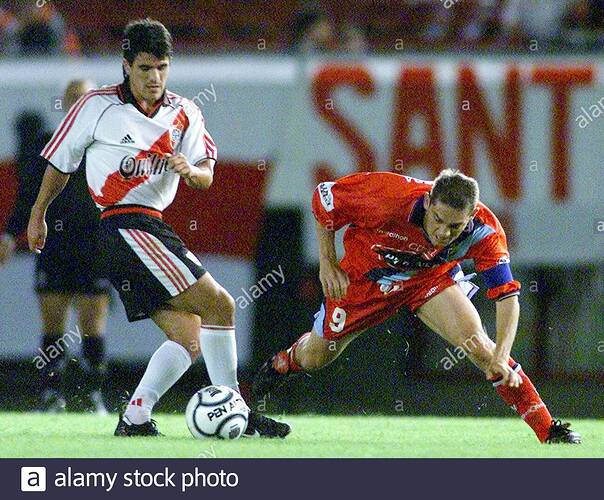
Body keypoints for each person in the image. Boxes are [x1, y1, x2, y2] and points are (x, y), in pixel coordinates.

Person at [26, 18, 290, 438]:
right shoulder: (97, 105)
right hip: (124, 225)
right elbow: (60, 162)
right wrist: (38, 212)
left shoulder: (184, 113)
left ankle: (134, 418)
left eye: (162, 67)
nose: (155, 77)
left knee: (188, 338)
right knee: (220, 305)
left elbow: (206, 174)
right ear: (126, 65)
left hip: (148, 228)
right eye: (146, 68)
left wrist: (191, 171)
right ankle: (241, 408)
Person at [253, 170, 581, 444]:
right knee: (317, 357)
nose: (442, 232)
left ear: (470, 218)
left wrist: (500, 354)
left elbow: (508, 297)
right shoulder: (388, 197)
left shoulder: (485, 231)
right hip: (364, 279)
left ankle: (548, 429)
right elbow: (324, 196)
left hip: (428, 280)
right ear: (427, 202)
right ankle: (285, 362)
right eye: (438, 219)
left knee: (480, 347)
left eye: (455, 227)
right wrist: (327, 262)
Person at [0, 80, 110, 414]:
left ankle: (94, 398)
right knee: (52, 321)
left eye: (85, 98)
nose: (79, 104)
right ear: (63, 103)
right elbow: (27, 196)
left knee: (93, 322)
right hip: (54, 243)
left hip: (94, 244)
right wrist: (9, 235)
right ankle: (51, 397)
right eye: (73, 98)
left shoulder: (107, 145)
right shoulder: (45, 145)